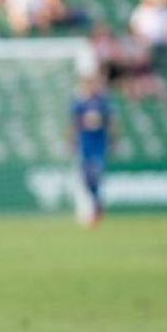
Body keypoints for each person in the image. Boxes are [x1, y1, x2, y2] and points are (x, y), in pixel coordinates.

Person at [71, 76, 113, 225]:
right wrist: (72, 141)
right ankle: (97, 204)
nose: (90, 87)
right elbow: (74, 124)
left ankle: (97, 209)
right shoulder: (79, 104)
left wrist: (113, 140)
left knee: (95, 175)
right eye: (87, 84)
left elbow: (111, 122)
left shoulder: (103, 102)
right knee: (87, 180)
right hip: (85, 147)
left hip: (99, 147)